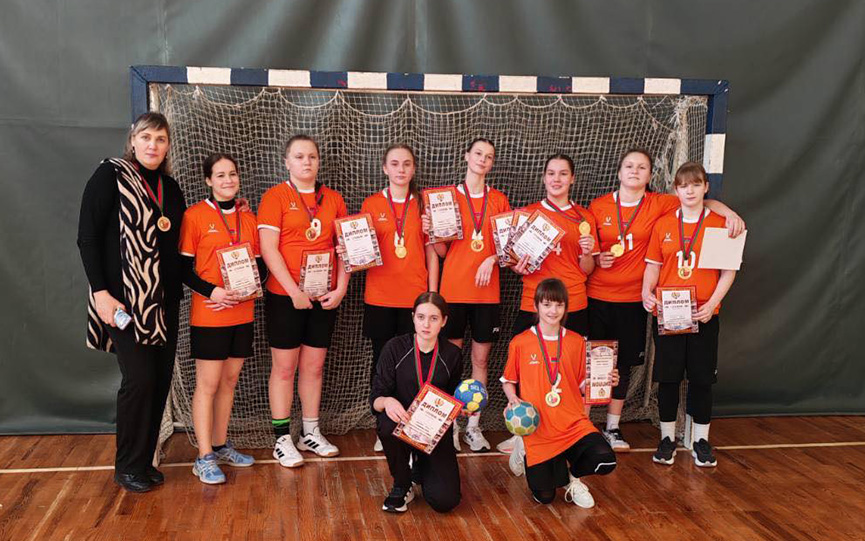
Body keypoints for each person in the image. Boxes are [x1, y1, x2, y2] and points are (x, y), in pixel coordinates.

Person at [587, 148, 744, 451]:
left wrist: (730, 213)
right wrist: (598, 259)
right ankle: (586, 428)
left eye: (642, 167)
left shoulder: (663, 204)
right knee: (596, 363)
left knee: (632, 366)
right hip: (602, 296)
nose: (635, 171)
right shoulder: (600, 206)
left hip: (648, 303)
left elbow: (702, 202)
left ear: (650, 175)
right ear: (619, 172)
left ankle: (616, 428)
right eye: (629, 166)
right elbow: (591, 254)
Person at [77, 112, 186, 492]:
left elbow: (178, 248)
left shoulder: (171, 188)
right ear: (133, 140)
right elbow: (87, 237)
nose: (153, 145)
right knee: (139, 380)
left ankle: (143, 462)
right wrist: (101, 293)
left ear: (168, 145)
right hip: (123, 302)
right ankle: (126, 466)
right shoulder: (110, 174)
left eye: (160, 138)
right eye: (146, 137)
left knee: (158, 382)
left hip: (164, 303)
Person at [257, 134, 349, 467]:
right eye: (299, 156)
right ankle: (282, 439)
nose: (306, 162)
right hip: (286, 297)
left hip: (324, 296)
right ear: (287, 162)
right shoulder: (275, 197)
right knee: (284, 368)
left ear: (319, 161)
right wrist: (294, 292)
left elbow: (347, 249)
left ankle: (310, 432)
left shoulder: (333, 199)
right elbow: (268, 249)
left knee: (314, 367)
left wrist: (340, 289)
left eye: (311, 156)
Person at [642, 162, 738, 467]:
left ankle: (701, 441)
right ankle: (667, 439)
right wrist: (646, 291)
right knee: (668, 379)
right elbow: (653, 265)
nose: (690, 191)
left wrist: (713, 304)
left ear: (706, 187)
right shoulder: (664, 224)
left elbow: (728, 271)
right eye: (684, 186)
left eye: (696, 185)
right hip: (669, 313)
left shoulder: (720, 224)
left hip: (703, 314)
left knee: (701, 379)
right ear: (676, 190)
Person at [178, 153, 263, 484]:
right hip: (210, 314)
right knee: (208, 384)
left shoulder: (249, 218)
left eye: (232, 174)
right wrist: (212, 291)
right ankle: (203, 457)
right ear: (208, 180)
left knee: (229, 382)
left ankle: (220, 444)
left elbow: (260, 266)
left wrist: (248, 290)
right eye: (220, 175)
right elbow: (183, 269)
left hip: (242, 312)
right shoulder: (194, 216)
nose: (228, 180)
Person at [424, 137, 511, 452]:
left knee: (480, 360)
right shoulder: (446, 198)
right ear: (466, 156)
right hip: (454, 292)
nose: (483, 160)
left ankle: (473, 427)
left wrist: (492, 258)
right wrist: (432, 231)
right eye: (478, 154)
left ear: (492, 163)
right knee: (449, 361)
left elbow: (508, 249)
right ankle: (449, 427)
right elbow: (442, 251)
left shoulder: (499, 200)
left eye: (489, 156)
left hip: (487, 295)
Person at [501, 278, 618, 508]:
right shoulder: (520, 342)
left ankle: (573, 479)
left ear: (566, 307)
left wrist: (606, 380)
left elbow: (584, 386)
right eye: (547, 304)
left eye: (559, 305)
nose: (553, 311)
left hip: (572, 424)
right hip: (540, 428)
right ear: (536, 306)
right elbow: (508, 381)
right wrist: (513, 398)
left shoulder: (577, 342)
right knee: (545, 497)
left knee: (605, 461)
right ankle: (524, 448)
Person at [359, 144, 439, 452]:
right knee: (382, 363)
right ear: (385, 168)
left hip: (414, 300)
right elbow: (361, 251)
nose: (401, 169)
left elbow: (432, 253)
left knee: (415, 365)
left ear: (413, 168)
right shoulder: (371, 203)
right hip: (379, 297)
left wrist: (432, 296)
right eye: (394, 164)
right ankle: (384, 427)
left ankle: (413, 426)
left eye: (406, 164)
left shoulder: (424, 204)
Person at [370, 292, 463, 513]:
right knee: (386, 424)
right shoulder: (394, 348)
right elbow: (375, 399)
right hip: (401, 426)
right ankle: (402, 484)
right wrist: (388, 401)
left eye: (433, 318)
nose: (426, 324)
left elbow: (452, 398)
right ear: (413, 317)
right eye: (421, 317)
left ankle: (420, 466)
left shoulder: (452, 354)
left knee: (445, 501)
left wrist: (462, 408)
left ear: (444, 321)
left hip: (432, 432)